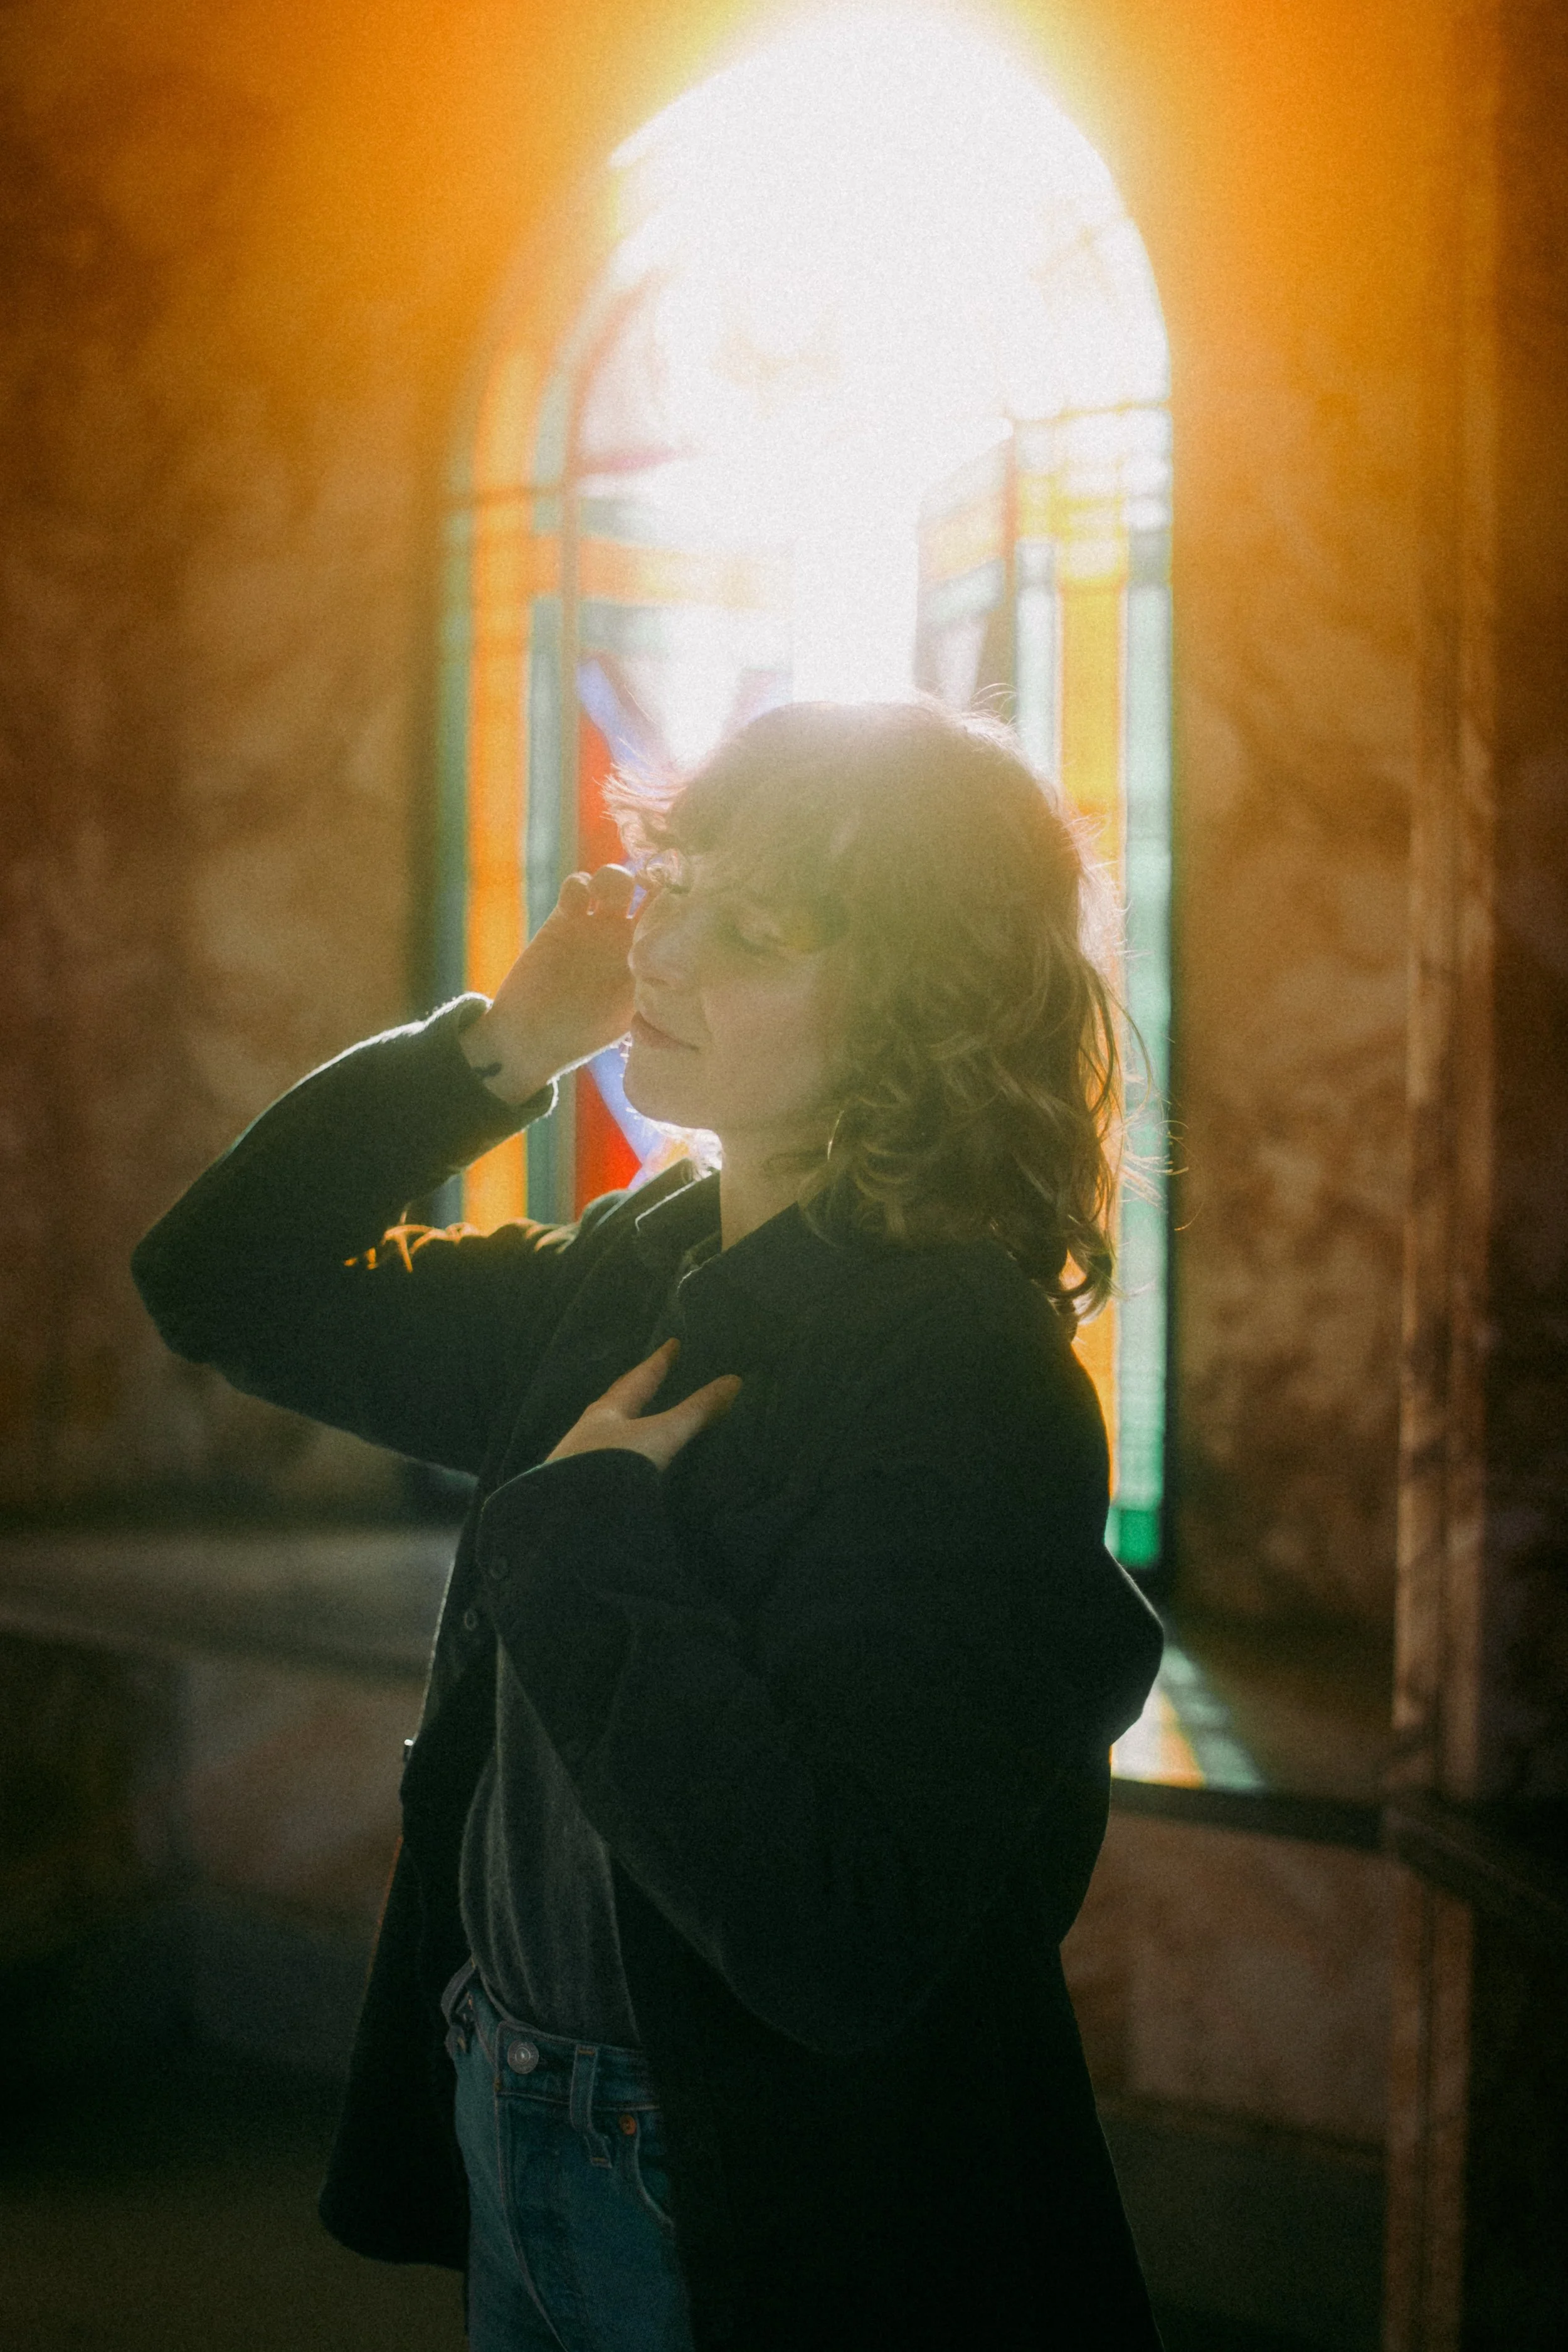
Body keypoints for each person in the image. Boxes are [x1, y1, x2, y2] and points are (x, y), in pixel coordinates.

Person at [132, 697, 1165, 2351]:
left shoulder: (965, 1380)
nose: (663, 951)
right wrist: (491, 1055)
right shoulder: (638, 1269)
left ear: (922, 1007)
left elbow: (838, 1937)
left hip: (755, 2180)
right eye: (671, 885)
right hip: (506, 2083)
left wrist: (588, 1540)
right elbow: (219, 1280)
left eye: (751, 927)